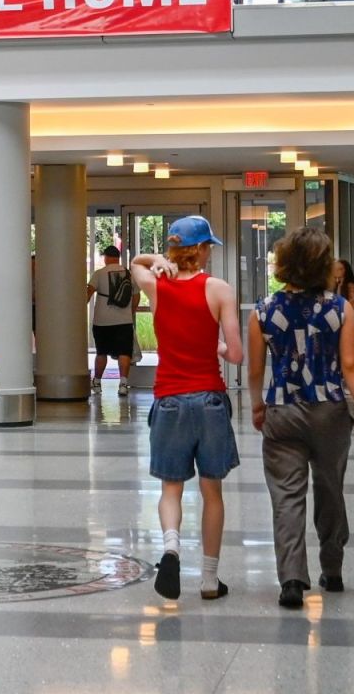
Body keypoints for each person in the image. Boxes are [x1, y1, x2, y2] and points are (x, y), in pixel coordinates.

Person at [251, 226, 354, 609]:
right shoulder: (341, 309)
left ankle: (291, 579)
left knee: (286, 496)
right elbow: (351, 365)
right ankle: (332, 568)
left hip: (282, 409)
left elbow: (255, 370)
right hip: (329, 411)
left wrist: (258, 404)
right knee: (329, 486)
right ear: (325, 266)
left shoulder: (264, 310)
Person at [129, 218, 243, 602]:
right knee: (212, 492)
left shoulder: (155, 286)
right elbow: (237, 353)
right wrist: (222, 349)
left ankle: (172, 547)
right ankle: (210, 579)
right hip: (209, 399)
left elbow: (135, 264)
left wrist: (156, 259)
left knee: (171, 488)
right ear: (203, 250)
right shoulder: (219, 289)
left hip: (170, 399)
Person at [87, 245, 138, 391]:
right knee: (124, 352)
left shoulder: (99, 273)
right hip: (124, 321)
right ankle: (123, 384)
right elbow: (136, 296)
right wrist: (130, 312)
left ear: (106, 258)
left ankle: (97, 382)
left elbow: (88, 292)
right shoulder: (129, 274)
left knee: (101, 352)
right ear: (118, 257)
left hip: (102, 321)